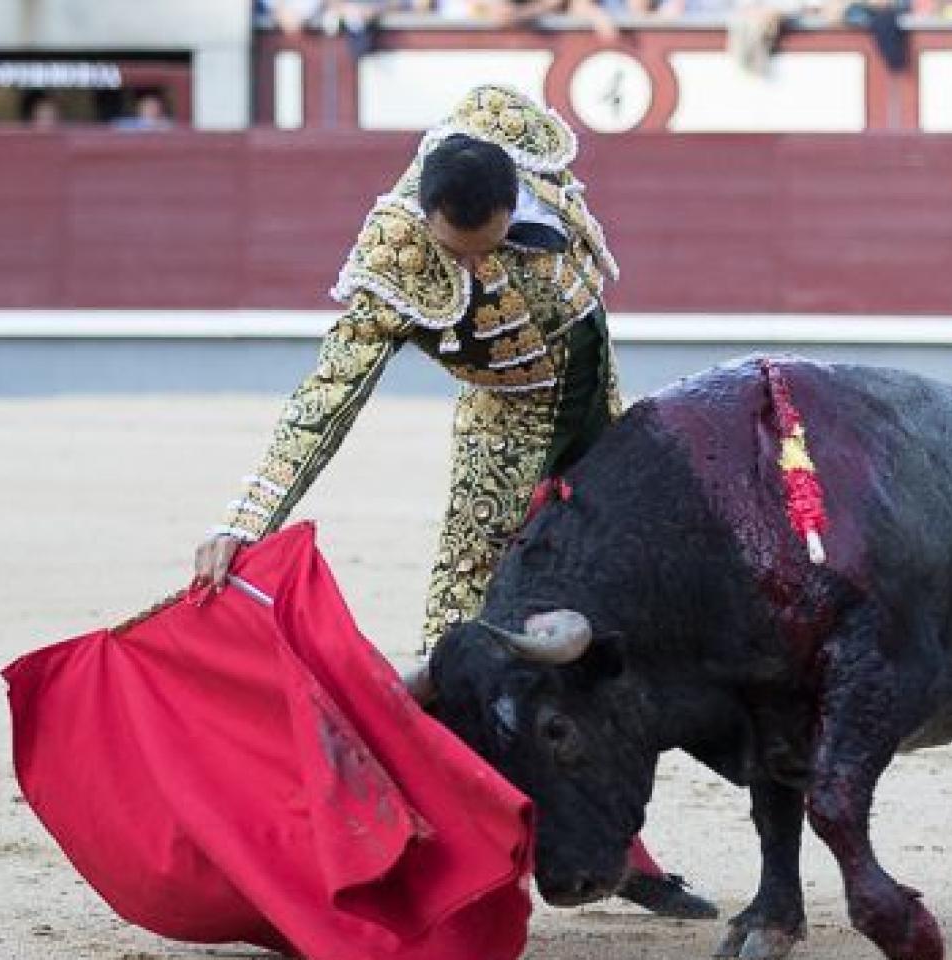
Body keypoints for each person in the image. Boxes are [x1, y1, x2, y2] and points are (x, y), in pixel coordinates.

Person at [189, 84, 716, 920]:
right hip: (500, 446)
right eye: (455, 251)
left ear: (517, 202)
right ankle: (431, 852)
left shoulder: (524, 151)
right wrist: (246, 519)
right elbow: (327, 397)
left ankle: (620, 851)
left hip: (601, 429)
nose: (470, 266)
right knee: (461, 654)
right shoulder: (395, 256)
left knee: (622, 637)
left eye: (485, 246)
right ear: (426, 214)